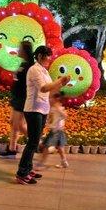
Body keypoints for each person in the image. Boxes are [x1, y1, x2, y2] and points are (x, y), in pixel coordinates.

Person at [15, 46, 70, 185]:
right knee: (33, 142)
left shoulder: (44, 70)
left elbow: (51, 89)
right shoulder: (34, 70)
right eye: (47, 56)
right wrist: (59, 81)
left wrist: (63, 83)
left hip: (42, 109)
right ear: (39, 56)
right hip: (33, 109)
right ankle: (22, 173)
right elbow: (44, 88)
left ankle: (28, 169)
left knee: (34, 141)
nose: (49, 59)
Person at [0, 41, 34, 159]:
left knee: (19, 124)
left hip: (23, 99)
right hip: (17, 97)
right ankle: (12, 149)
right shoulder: (24, 64)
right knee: (13, 124)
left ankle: (36, 141)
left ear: (25, 51)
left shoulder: (30, 66)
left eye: (20, 48)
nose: (18, 50)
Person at [35, 91, 69, 170]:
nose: (50, 99)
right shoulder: (53, 108)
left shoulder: (59, 108)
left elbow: (65, 116)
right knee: (60, 147)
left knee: (46, 147)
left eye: (52, 98)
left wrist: (59, 111)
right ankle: (64, 162)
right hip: (56, 131)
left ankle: (41, 164)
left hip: (56, 131)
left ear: (57, 99)